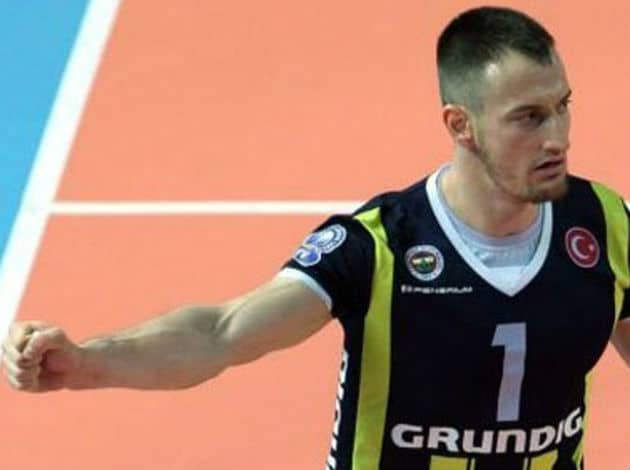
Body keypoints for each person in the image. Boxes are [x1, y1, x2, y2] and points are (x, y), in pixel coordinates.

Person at [2, 6, 629, 470]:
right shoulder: (377, 246)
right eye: (528, 118)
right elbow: (220, 333)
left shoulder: (607, 224)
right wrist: (88, 360)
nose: (557, 136)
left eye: (562, 106)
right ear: (460, 125)